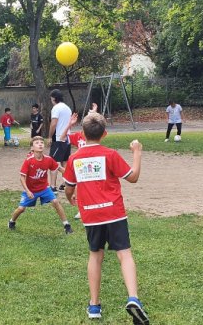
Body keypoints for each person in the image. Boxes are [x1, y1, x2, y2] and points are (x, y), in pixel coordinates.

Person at [62, 112, 149, 323]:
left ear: (82, 133)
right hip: (114, 212)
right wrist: (137, 152)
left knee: (95, 255)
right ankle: (133, 298)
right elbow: (133, 178)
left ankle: (94, 305)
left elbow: (68, 187)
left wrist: (71, 197)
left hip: (91, 215)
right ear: (105, 134)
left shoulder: (75, 158)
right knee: (124, 254)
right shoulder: (110, 154)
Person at [8, 136, 73, 234]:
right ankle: (11, 221)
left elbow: (59, 169)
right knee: (21, 209)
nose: (40, 144)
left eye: (41, 143)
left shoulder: (48, 159)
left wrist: (72, 174)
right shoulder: (29, 161)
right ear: (32, 148)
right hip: (30, 190)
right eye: (37, 143)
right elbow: (22, 178)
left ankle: (67, 225)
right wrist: (28, 191)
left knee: (55, 201)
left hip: (44, 189)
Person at [48, 89, 72, 192]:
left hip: (58, 138)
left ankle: (53, 187)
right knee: (64, 162)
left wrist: (49, 136)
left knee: (52, 162)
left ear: (53, 98)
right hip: (67, 138)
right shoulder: (67, 108)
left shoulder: (56, 108)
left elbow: (54, 123)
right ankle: (66, 184)